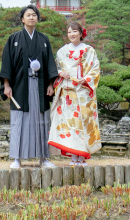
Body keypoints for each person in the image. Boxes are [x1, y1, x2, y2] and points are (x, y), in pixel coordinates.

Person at [0, 4, 59, 169]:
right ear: (22, 19)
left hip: (40, 86)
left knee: (42, 121)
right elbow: (7, 64)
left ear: (37, 18)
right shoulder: (14, 39)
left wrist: (50, 84)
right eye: (28, 15)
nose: (31, 17)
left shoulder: (43, 39)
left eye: (34, 15)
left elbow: (49, 64)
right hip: (19, 86)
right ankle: (17, 158)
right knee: (20, 121)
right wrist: (6, 85)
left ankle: (43, 158)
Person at [48, 21, 102, 166]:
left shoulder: (89, 50)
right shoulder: (61, 51)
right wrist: (60, 73)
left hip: (84, 92)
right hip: (67, 93)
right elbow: (55, 68)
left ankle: (82, 156)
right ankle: (73, 156)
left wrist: (86, 79)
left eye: (74, 31)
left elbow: (95, 68)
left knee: (83, 123)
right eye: (69, 32)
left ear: (80, 33)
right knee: (70, 124)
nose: (71, 34)